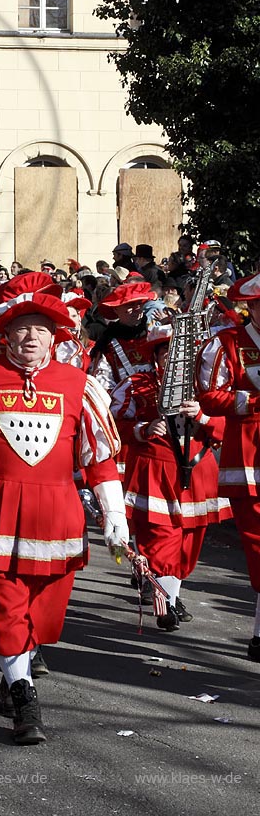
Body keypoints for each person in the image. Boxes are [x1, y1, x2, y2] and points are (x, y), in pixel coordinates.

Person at [0, 286, 126, 744]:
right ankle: (24, 696)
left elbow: (98, 459)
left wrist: (114, 515)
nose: (32, 338)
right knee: (4, 604)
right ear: (4, 336)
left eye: (41, 330)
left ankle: (15, 663)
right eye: (21, 330)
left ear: (56, 337)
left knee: (46, 617)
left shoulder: (80, 384)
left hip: (58, 517)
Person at [112, 323, 229, 627]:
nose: (174, 361)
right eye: (168, 354)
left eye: (181, 354)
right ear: (157, 356)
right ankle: (165, 605)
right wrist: (143, 430)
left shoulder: (208, 389)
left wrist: (203, 417)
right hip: (155, 470)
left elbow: (231, 427)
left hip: (197, 472)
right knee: (162, 539)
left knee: (188, 546)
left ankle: (170, 600)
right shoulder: (136, 384)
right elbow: (112, 424)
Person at [197, 272, 260, 661]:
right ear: (249, 307)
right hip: (249, 459)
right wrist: (253, 402)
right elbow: (209, 395)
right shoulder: (227, 343)